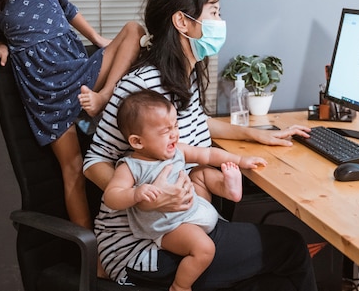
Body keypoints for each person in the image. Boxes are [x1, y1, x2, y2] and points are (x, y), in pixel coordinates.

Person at [85, 0, 317, 290]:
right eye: (213, 12)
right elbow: (94, 161)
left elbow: (199, 121)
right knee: (291, 248)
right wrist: (146, 198)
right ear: (183, 22)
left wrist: (257, 133)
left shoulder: (183, 73)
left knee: (269, 263)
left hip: (183, 220)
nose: (220, 21)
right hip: (143, 244)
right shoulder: (143, 87)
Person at [0, 0, 144, 235]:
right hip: (47, 95)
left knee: (134, 30)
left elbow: (70, 11)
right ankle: (91, 253)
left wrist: (96, 39)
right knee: (73, 169)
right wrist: (0, 47)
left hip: (78, 73)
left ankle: (104, 96)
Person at [103, 89, 267, 291]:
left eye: (175, 126)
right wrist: (135, 194)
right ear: (137, 141)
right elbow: (112, 196)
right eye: (165, 131)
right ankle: (181, 286)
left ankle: (229, 188)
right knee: (204, 249)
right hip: (170, 227)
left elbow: (206, 154)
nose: (174, 133)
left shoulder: (176, 151)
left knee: (203, 170)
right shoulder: (130, 166)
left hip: (192, 211)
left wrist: (240, 160)